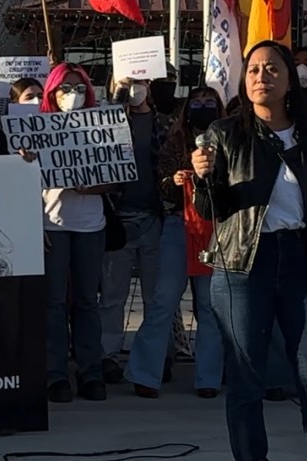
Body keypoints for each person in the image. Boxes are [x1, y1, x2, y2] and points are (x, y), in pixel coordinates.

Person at [190, 40, 307, 461]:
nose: (261, 77)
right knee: (247, 382)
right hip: (243, 267)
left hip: (304, 264)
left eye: (271, 70)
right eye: (253, 70)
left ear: (290, 82)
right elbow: (212, 211)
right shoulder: (224, 134)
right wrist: (201, 179)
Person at [124, 86, 226, 399]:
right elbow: (162, 183)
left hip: (216, 229)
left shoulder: (230, 138)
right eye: (197, 102)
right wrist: (175, 182)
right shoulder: (175, 138)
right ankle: (144, 373)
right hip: (178, 225)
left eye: (210, 101)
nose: (203, 106)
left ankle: (209, 377)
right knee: (163, 301)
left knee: (210, 306)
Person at [41, 62, 111, 403]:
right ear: (52, 93)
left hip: (90, 225)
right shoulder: (37, 129)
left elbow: (116, 178)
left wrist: (92, 188)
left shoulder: (103, 127)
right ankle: (55, 374)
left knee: (87, 302)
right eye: (66, 89)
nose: (74, 95)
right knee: (53, 303)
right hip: (50, 225)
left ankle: (90, 372)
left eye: (80, 88)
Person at [98, 76, 166, 384]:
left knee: (157, 297)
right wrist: (117, 100)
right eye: (129, 83)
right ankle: (107, 356)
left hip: (154, 218)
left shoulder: (163, 124)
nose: (136, 88)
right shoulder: (106, 122)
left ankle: (155, 357)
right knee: (113, 296)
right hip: (119, 217)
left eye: (141, 82)